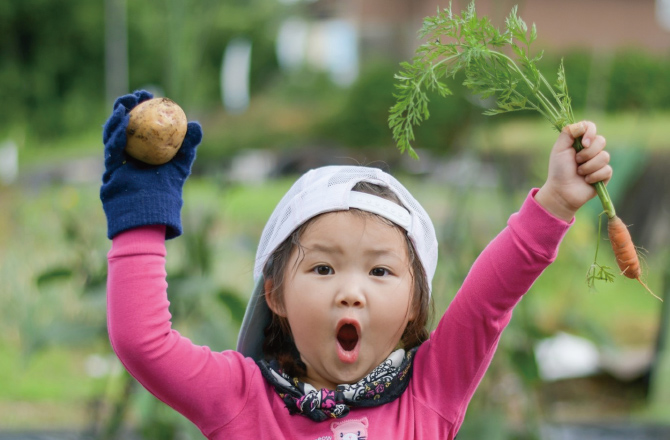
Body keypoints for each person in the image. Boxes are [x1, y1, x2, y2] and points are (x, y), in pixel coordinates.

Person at [101, 90, 612, 439]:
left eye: (380, 271)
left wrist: (555, 203)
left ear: (415, 302)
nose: (351, 291)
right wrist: (141, 208)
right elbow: (144, 343)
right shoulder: (241, 399)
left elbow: (489, 301)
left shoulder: (431, 390)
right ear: (275, 293)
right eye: (323, 269)